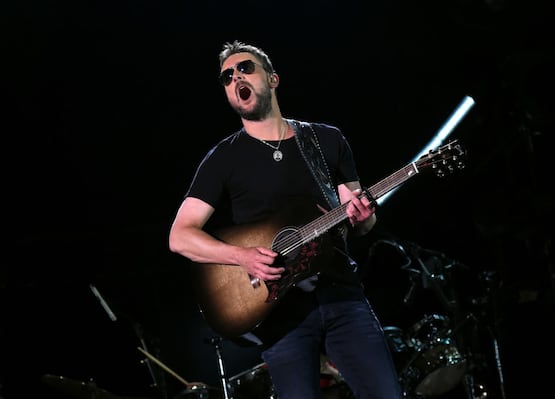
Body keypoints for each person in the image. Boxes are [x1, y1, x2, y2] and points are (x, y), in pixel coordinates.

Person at [168, 40, 403, 399]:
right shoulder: (222, 159)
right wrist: (241, 256)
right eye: (226, 76)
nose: (235, 78)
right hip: (280, 315)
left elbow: (360, 221)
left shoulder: (325, 139)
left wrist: (363, 216)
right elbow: (180, 237)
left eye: (245, 68)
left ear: (273, 79)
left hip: (341, 295)